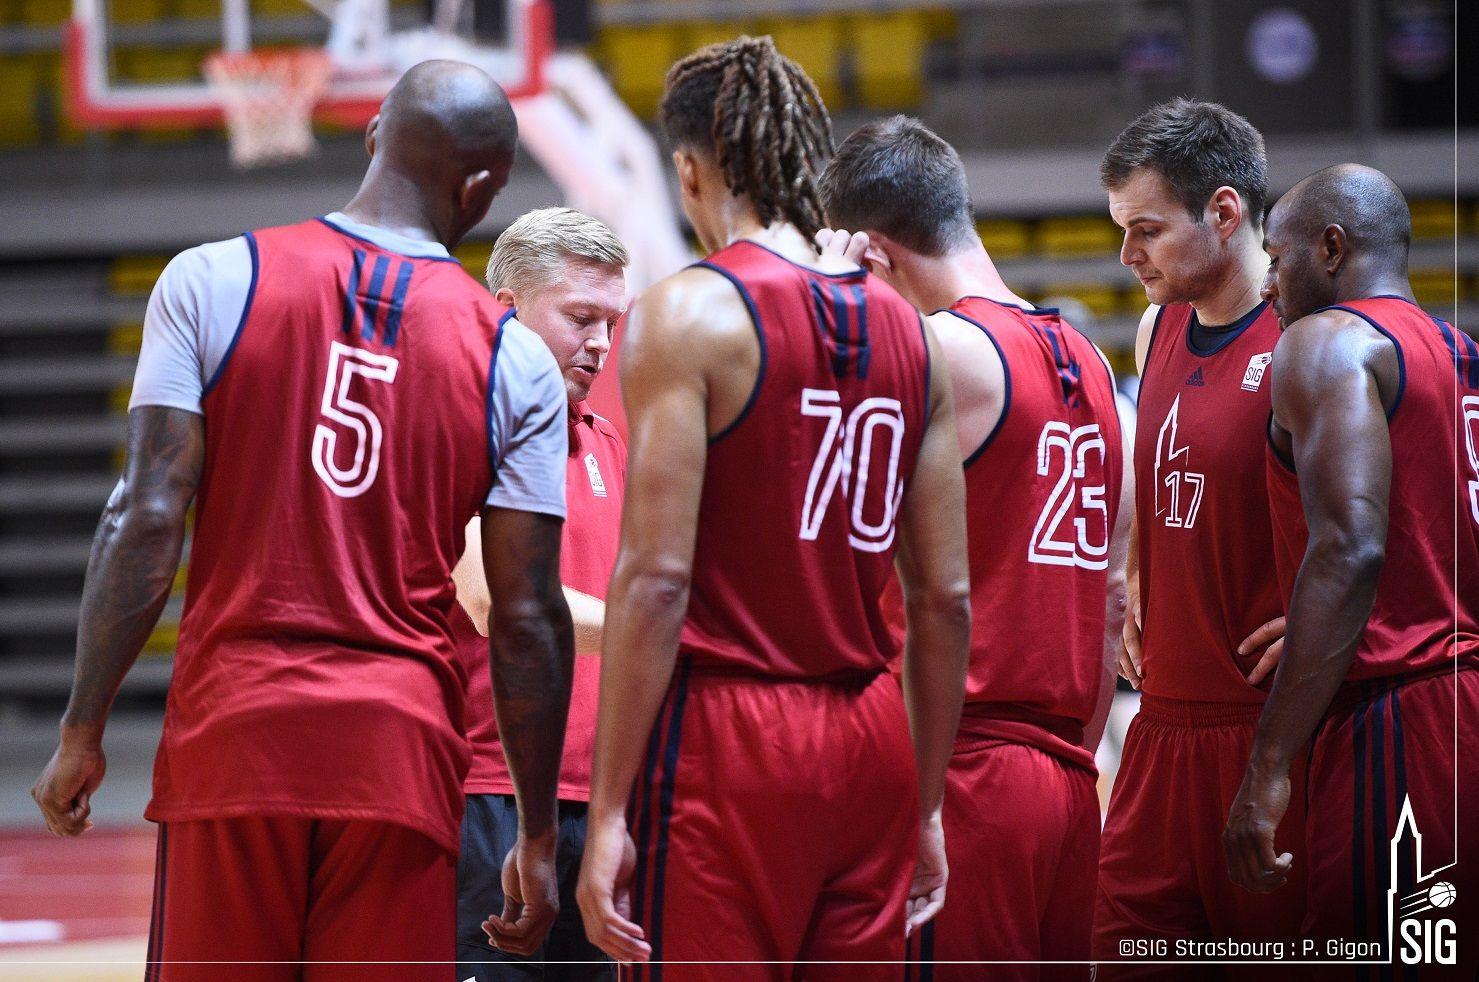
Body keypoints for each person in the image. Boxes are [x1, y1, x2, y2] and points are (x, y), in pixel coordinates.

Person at [30, 61, 575, 980]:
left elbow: (145, 516)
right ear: (482, 188)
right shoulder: (514, 360)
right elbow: (526, 615)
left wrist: (83, 729)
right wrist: (535, 830)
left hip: (233, 743)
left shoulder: (210, 279)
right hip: (396, 759)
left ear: (371, 136)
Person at [575, 36, 971, 978]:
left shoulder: (687, 313)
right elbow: (945, 599)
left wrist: (605, 814)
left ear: (687, 170)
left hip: (730, 740)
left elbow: (657, 581)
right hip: (874, 732)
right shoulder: (910, 333)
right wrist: (922, 804)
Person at [818, 115, 1130, 978]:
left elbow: (815, 528)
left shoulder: (935, 349)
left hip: (958, 770)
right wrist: (1068, 757)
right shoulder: (1093, 364)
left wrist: (834, 313)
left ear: (872, 253)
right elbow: (1110, 597)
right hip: (1068, 774)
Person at [1225, 163, 1478, 975]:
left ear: (1329, 248)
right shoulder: (1455, 354)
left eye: (1276, 256)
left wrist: (1265, 768)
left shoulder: (1328, 340)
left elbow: (1349, 547)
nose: (1267, 282)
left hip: (1393, 719)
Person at [1092, 98, 1307, 974]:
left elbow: (1412, 513)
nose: (1125, 254)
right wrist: (1135, 574)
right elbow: (1157, 473)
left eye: (1144, 229)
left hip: (1264, 734)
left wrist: (1350, 619)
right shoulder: (1157, 328)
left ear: (1223, 213)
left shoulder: (1307, 336)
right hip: (1157, 729)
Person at [451, 207, 629, 981]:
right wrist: (670, 630)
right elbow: (490, 600)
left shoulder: (610, 442)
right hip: (489, 798)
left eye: (611, 322)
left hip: (601, 805)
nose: (599, 342)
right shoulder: (461, 428)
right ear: (507, 310)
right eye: (580, 317)